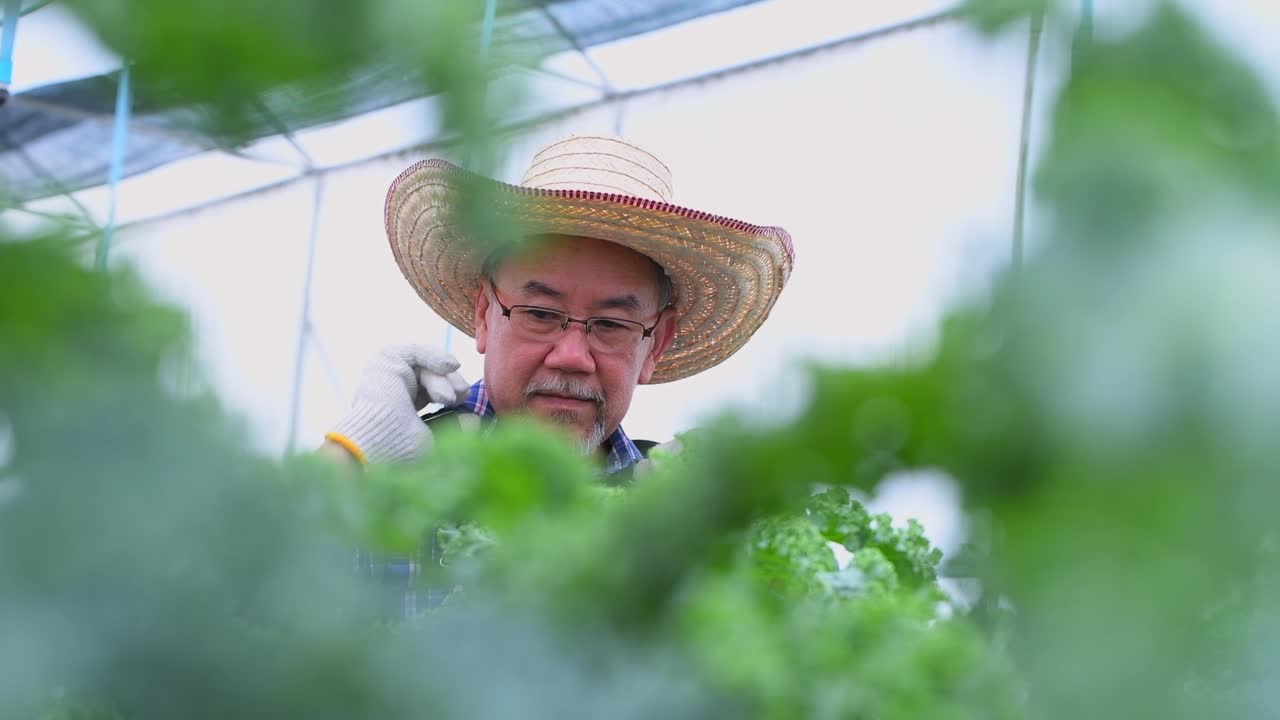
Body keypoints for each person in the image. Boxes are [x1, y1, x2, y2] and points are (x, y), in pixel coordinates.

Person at [322, 134, 795, 476]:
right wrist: (352, 451)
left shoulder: (674, 509)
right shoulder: (384, 475)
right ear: (484, 313)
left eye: (611, 324)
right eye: (541, 314)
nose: (571, 356)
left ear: (656, 345)